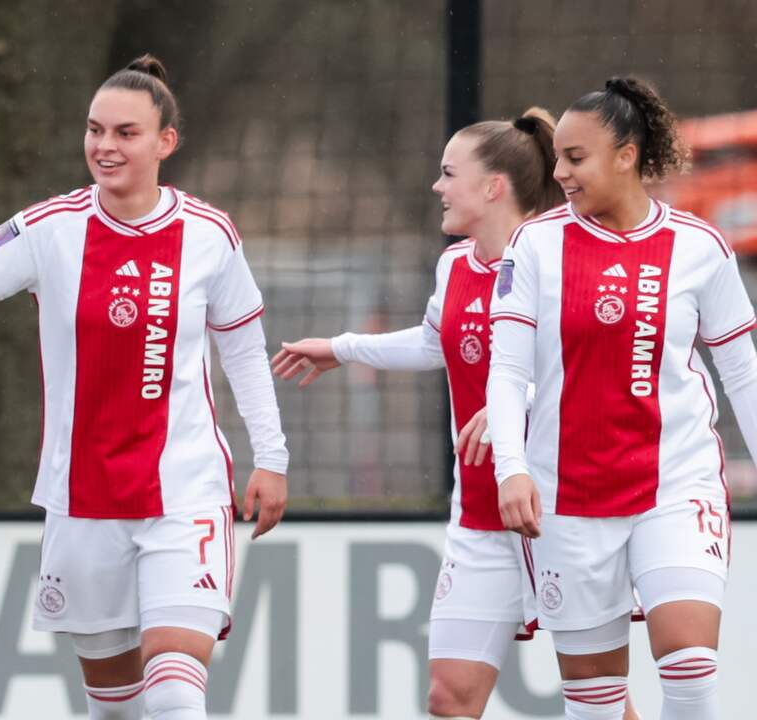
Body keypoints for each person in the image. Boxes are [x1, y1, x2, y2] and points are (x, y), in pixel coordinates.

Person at [0, 55, 288, 720]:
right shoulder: (49, 228)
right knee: (116, 708)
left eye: (125, 133)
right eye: (95, 130)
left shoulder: (210, 235)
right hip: (83, 500)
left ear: (165, 142)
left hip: (184, 492)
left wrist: (272, 456)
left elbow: (242, 348)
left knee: (175, 694)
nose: (104, 146)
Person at [270, 109, 645, 720]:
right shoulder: (455, 264)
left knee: (597, 698)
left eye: (449, 173)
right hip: (480, 517)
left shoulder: (562, 259)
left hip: (558, 512)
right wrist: (341, 348)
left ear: (493, 186)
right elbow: (433, 341)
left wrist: (511, 410)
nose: (437, 187)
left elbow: (585, 370)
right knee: (450, 698)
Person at [487, 77, 757, 720]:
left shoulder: (700, 248)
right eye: (559, 160)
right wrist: (513, 467)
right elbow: (506, 369)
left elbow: (741, 373)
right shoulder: (536, 245)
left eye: (576, 158)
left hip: (675, 483)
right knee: (597, 701)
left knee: (690, 664)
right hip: (565, 497)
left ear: (627, 155)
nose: (561, 173)